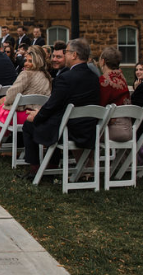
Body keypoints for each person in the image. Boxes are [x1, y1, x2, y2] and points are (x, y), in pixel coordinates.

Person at [20, 38, 101, 180]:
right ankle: (50, 166)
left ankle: (36, 169)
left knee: (29, 124)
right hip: (88, 130)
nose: (66, 55)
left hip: (68, 130)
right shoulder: (94, 77)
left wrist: (37, 116)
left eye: (67, 52)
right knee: (51, 122)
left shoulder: (66, 77)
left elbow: (52, 105)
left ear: (74, 55)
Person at [0, 45, 51, 136]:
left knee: (1, 108)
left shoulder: (26, 74)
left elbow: (10, 97)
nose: (26, 63)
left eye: (30, 61)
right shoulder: (47, 76)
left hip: (23, 116)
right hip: (39, 115)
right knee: (2, 104)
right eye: (26, 60)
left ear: (38, 61)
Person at [98, 47, 132, 141]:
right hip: (129, 128)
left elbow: (100, 107)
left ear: (103, 61)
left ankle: (89, 156)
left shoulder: (103, 81)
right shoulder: (122, 78)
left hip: (112, 130)